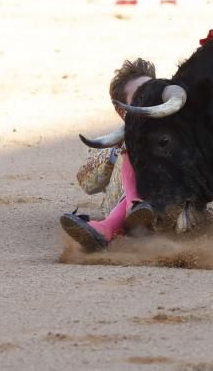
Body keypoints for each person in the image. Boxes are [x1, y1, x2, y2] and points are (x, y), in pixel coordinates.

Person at [60, 58, 157, 252]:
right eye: (139, 96)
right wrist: (118, 150)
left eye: (152, 91)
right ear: (122, 111)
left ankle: (111, 227)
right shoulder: (110, 143)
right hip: (122, 209)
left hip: (173, 208)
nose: (149, 100)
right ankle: (129, 211)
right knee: (130, 144)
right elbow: (87, 182)